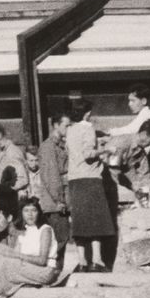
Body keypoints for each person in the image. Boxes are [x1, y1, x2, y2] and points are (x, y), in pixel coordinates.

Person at [64, 100, 118, 272]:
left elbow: (75, 151)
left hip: (74, 178)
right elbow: (88, 154)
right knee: (96, 221)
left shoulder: (70, 129)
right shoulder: (88, 128)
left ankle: (82, 261)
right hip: (90, 178)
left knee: (80, 222)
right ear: (87, 113)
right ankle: (97, 259)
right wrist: (106, 150)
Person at [36, 113, 71, 251]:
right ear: (56, 125)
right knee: (58, 242)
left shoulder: (60, 145)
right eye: (66, 125)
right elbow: (51, 176)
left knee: (61, 240)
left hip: (60, 201)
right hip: (54, 204)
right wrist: (59, 200)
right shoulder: (48, 147)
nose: (69, 129)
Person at [0, 122, 29, 222]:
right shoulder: (1, 152)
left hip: (13, 200)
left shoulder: (12, 152)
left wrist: (5, 189)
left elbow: (23, 179)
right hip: (5, 200)